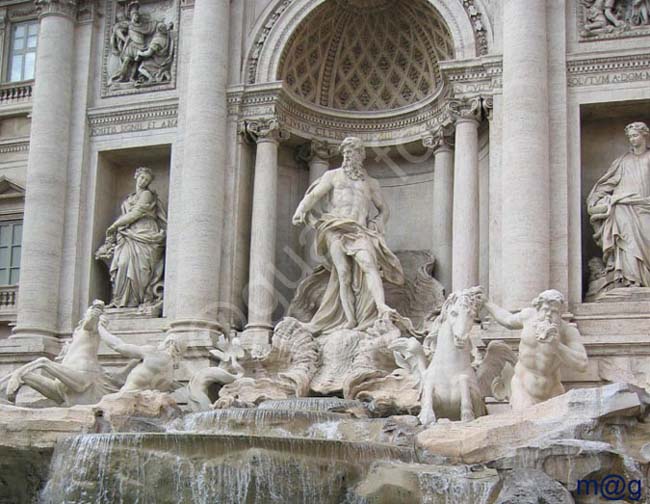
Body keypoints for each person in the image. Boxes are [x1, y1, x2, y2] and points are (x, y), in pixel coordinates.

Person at [292, 136, 404, 333]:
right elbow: (314, 195)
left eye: (352, 152)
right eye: (346, 152)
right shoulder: (333, 176)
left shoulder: (371, 183)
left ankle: (381, 307)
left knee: (369, 264)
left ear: (361, 155)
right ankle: (350, 320)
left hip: (359, 230)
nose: (348, 156)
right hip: (335, 227)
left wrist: (378, 222)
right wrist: (301, 209)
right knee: (343, 274)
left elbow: (383, 209)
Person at [482, 290, 588, 410]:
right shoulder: (528, 317)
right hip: (523, 387)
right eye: (545, 310)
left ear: (561, 312)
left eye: (554, 312)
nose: (548, 315)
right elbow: (507, 319)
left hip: (552, 390)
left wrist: (557, 346)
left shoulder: (567, 331)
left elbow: (582, 364)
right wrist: (487, 303)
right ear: (538, 309)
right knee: (524, 422)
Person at [1, 301, 118, 405]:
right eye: (89, 312)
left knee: (42, 362)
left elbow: (80, 385)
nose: (89, 315)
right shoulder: (78, 334)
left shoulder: (93, 329)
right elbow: (58, 393)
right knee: (25, 375)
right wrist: (19, 374)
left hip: (84, 374)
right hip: (67, 378)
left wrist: (96, 311)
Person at [587, 122, 650, 294]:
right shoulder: (622, 161)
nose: (632, 139)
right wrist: (595, 199)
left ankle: (646, 280)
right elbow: (606, 184)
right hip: (622, 207)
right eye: (630, 137)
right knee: (626, 243)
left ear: (645, 135)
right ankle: (629, 281)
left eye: (635, 135)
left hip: (644, 207)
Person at [97, 166, 166, 309]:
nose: (143, 181)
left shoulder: (147, 195)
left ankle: (137, 300)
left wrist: (115, 225)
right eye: (142, 178)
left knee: (141, 269)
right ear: (136, 176)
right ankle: (119, 301)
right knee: (122, 264)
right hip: (128, 235)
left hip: (144, 233)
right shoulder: (129, 198)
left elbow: (136, 213)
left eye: (147, 180)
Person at [98, 322, 185, 393]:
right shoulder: (170, 377)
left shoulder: (153, 353)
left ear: (170, 344)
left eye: (162, 342)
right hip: (146, 406)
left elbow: (118, 346)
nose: (159, 344)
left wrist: (100, 327)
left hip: (126, 398)